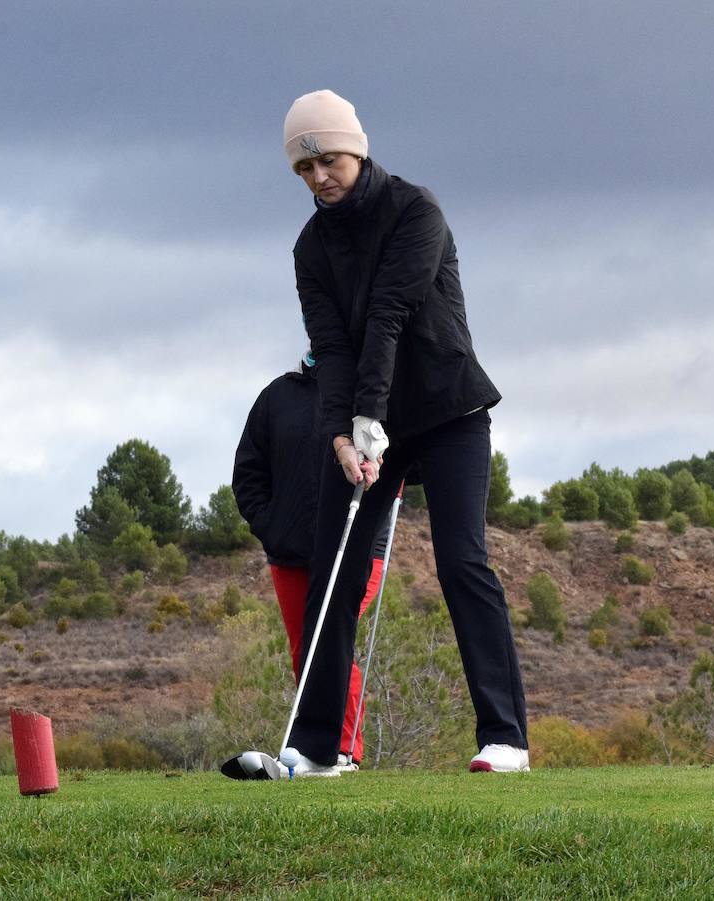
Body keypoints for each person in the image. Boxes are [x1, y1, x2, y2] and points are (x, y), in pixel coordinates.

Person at [280, 90, 528, 773]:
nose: (319, 177)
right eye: (305, 170)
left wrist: (368, 417)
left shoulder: (416, 211)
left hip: (448, 410)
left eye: (327, 160)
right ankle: (317, 747)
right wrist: (339, 434)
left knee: (461, 560)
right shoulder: (310, 247)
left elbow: (389, 315)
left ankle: (504, 737)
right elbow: (330, 348)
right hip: (364, 418)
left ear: (354, 150)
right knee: (335, 565)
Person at [232, 350, 396, 771]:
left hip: (355, 547)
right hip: (290, 552)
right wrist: (272, 527)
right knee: (304, 649)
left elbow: (394, 466)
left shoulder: (369, 398)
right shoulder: (277, 397)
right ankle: (316, 747)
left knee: (329, 638)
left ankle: (343, 750)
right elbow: (248, 473)